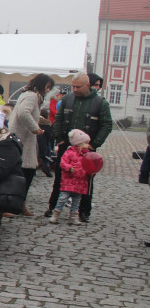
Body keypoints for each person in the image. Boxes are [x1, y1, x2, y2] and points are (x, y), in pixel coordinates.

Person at [45, 73, 112, 222]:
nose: (74, 89)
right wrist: (60, 139)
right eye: (73, 86)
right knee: (60, 176)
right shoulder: (68, 99)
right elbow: (58, 119)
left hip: (87, 149)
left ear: (87, 85)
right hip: (66, 145)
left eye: (78, 87)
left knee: (86, 179)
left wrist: (94, 144)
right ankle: (53, 207)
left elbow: (107, 125)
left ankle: (84, 211)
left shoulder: (100, 103)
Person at [9, 74, 54, 215]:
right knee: (26, 172)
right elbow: (23, 112)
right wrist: (35, 128)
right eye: (47, 87)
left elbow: (27, 112)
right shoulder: (32, 96)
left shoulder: (29, 95)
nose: (48, 90)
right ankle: (16, 204)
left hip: (22, 140)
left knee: (26, 172)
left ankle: (19, 204)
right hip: (22, 140)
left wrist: (38, 120)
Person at [50, 129, 91, 225]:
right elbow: (62, 163)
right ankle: (56, 214)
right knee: (62, 198)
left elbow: (89, 166)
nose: (88, 145)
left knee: (76, 201)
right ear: (79, 144)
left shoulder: (87, 155)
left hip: (80, 182)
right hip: (68, 181)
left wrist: (90, 172)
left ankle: (73, 217)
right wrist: (69, 168)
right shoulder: (69, 152)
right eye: (86, 143)